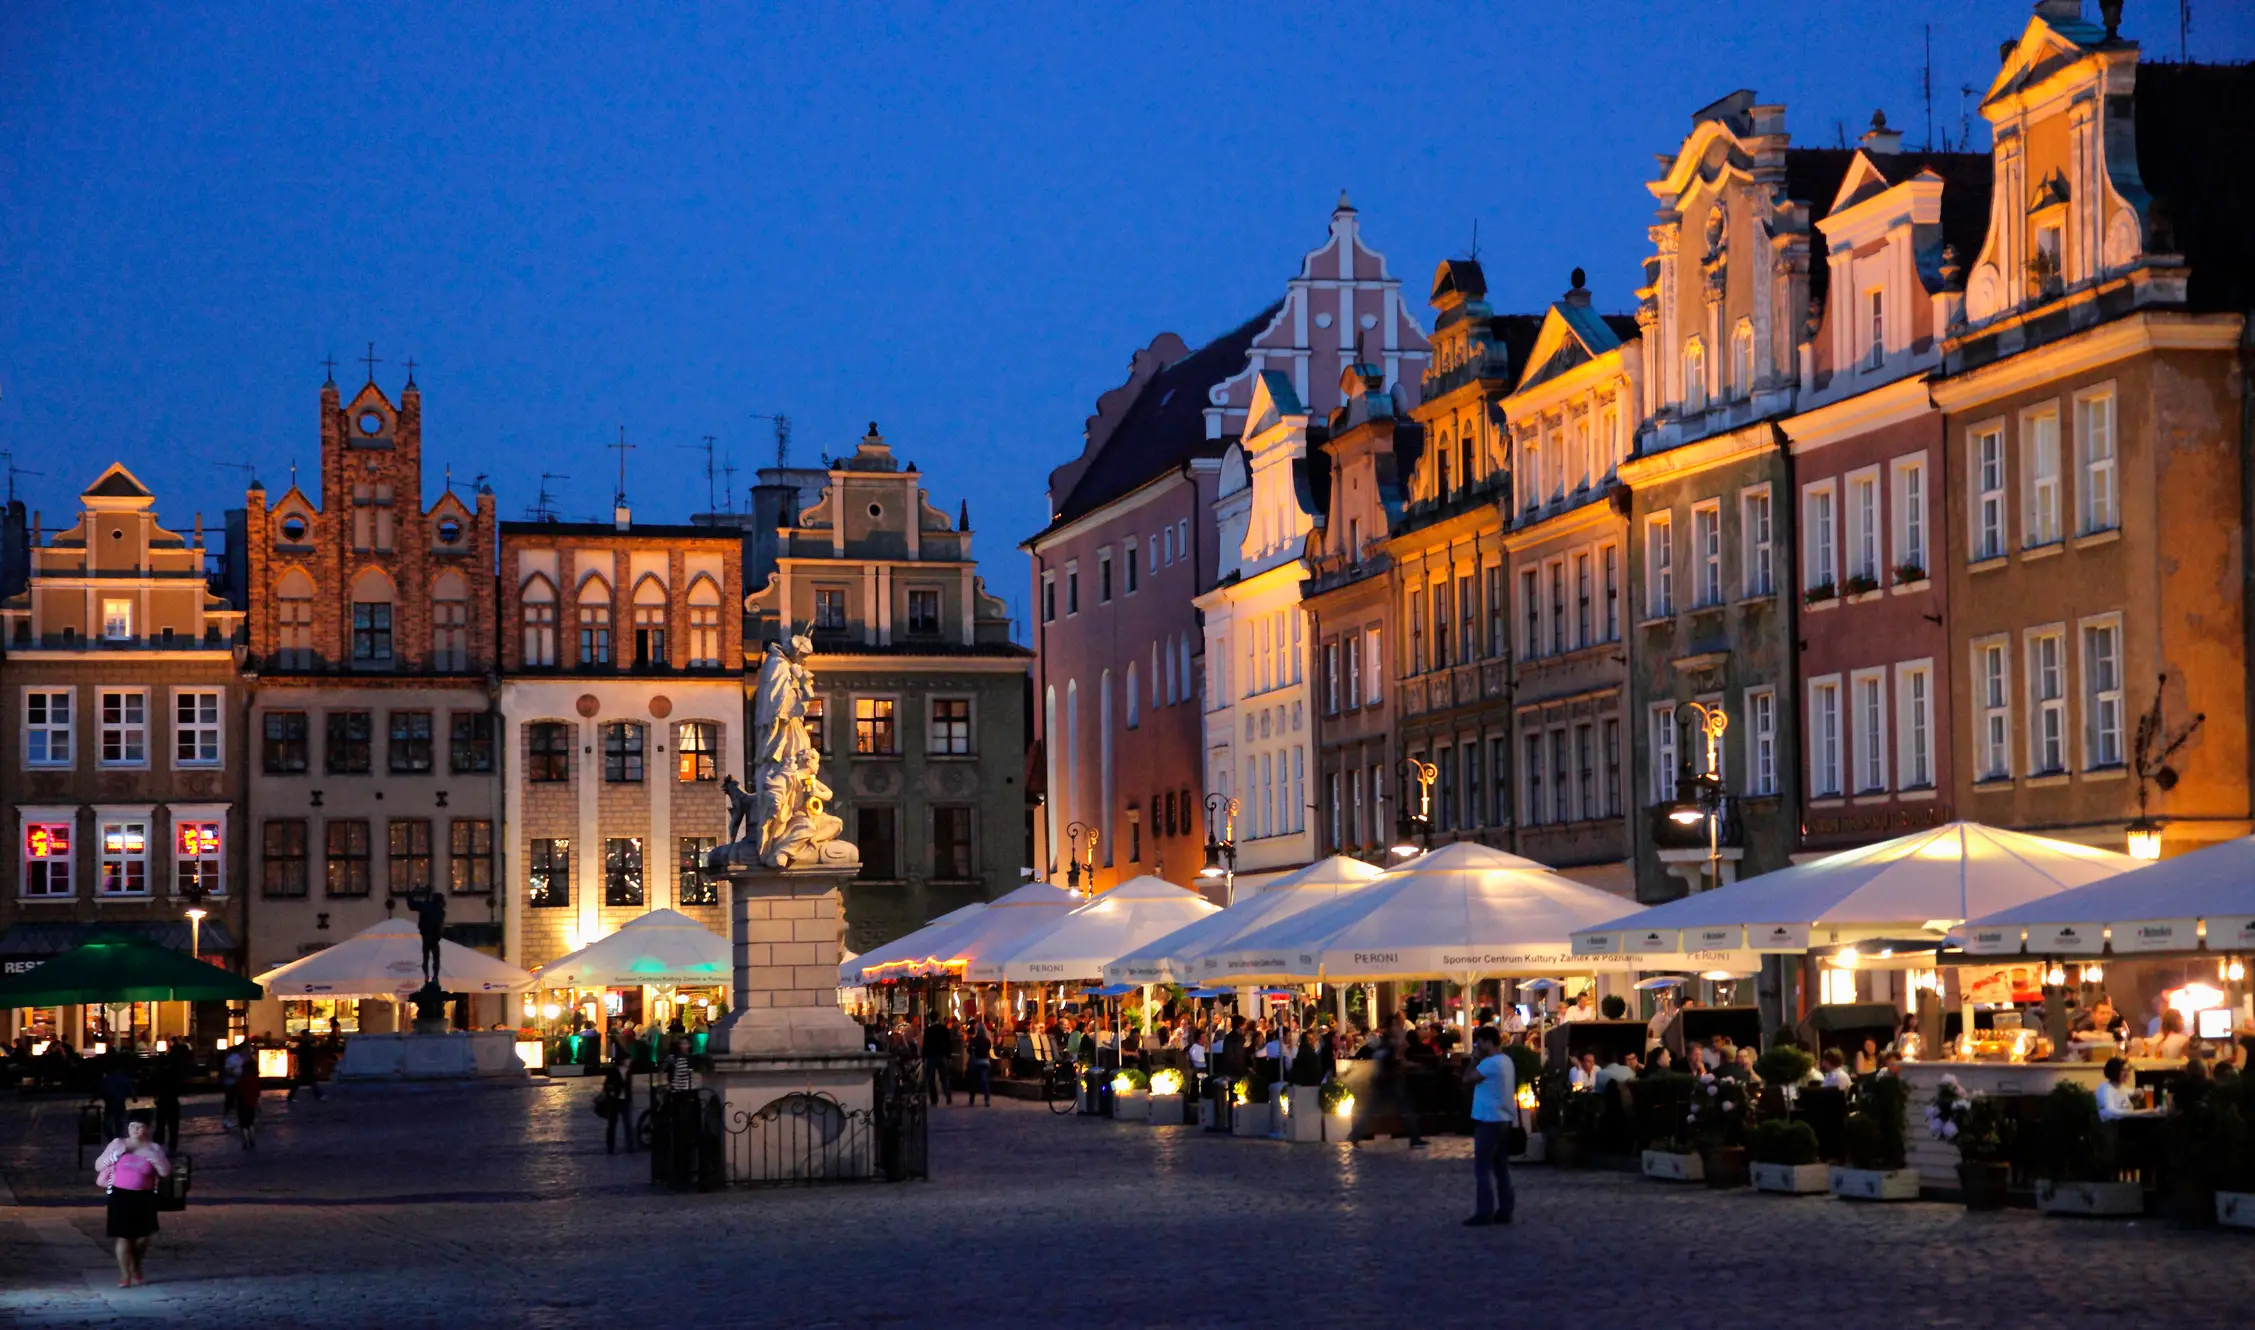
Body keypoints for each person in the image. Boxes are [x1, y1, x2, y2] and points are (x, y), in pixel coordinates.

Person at [95, 1109, 172, 1288]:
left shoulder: (154, 1148)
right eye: (132, 1126)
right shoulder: (118, 1143)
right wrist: (116, 1155)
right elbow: (99, 1166)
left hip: (144, 1197)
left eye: (140, 1126)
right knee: (123, 1237)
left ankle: (136, 1265)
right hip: (120, 1195)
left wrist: (154, 1159)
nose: (135, 1130)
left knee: (143, 1237)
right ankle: (125, 1274)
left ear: (148, 1128)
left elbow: (165, 1172)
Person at [1460, 1027, 1516, 1227]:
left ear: (1488, 1042)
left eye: (1480, 1043)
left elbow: (1467, 1078)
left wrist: (1474, 1059)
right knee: (1501, 1167)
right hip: (1504, 1119)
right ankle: (1505, 1209)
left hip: (1489, 1120)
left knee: (1482, 1168)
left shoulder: (1490, 1064)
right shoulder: (1507, 1061)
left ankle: (1484, 1211)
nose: (1478, 1047)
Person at [150, 1044, 186, 1153]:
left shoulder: (160, 1073)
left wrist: (156, 1096)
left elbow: (155, 1086)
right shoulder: (174, 1072)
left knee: (161, 1123)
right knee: (172, 1126)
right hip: (172, 1100)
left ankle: (160, 1143)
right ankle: (172, 1146)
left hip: (163, 1100)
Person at [600, 1047, 635, 1153]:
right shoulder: (613, 1072)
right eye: (628, 1059)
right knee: (612, 1123)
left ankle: (630, 1146)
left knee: (628, 1123)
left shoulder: (629, 1072)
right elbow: (606, 1084)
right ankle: (610, 1146)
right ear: (623, 1061)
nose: (630, 1061)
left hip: (625, 1100)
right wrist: (611, 1091)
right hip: (615, 1100)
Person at [2096, 1056, 2152, 1121]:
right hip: (2113, 1127)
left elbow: (2133, 1099)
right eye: (2123, 1070)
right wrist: (2139, 1112)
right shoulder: (2104, 1089)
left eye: (2128, 1070)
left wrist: (2138, 1097)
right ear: (2114, 1071)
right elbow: (2111, 1112)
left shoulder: (2126, 1089)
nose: (2127, 1073)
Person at [98, 1055, 134, 1143]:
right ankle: (118, 1136)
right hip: (119, 1102)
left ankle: (111, 1136)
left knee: (107, 1121)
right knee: (119, 1120)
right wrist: (134, 1097)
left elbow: (101, 1090)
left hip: (110, 1102)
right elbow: (129, 1089)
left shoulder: (107, 1079)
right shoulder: (122, 1079)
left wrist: (94, 1098)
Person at [922, 1014, 953, 1107]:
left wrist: (924, 1057)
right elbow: (948, 1042)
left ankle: (934, 1099)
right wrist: (949, 1056)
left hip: (931, 1056)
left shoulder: (928, 1030)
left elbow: (925, 1045)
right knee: (944, 1077)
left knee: (931, 1078)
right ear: (938, 1018)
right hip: (942, 1055)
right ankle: (948, 1094)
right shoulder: (943, 1029)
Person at [233, 1048, 262, 1149]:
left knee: (243, 1124)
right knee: (251, 1123)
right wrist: (258, 1105)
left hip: (242, 1102)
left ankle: (245, 1142)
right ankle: (252, 1139)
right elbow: (258, 1093)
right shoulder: (255, 1079)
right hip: (252, 1103)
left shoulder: (241, 1079)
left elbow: (237, 1091)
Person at [286, 1029, 324, 1103]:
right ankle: (318, 1095)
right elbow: (311, 1051)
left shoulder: (303, 1044)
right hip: (307, 1065)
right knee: (310, 1081)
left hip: (304, 1065)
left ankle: (290, 1096)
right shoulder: (306, 1044)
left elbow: (298, 1052)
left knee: (302, 1082)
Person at [966, 1022, 994, 1107]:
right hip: (985, 1062)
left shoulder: (973, 1040)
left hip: (975, 1062)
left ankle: (972, 1100)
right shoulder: (987, 1041)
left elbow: (969, 1051)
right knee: (984, 1081)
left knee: (973, 1082)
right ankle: (987, 1099)